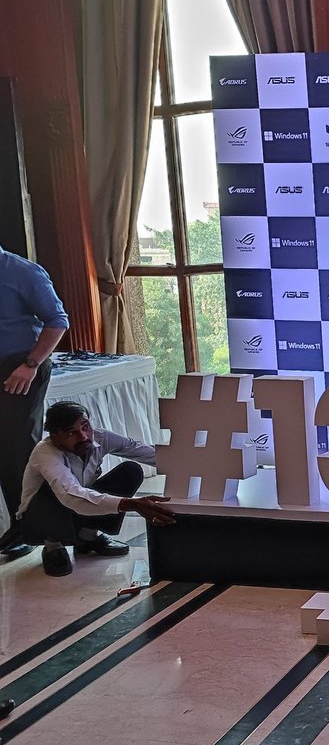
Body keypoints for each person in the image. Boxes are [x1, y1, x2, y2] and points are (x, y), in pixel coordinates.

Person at [13, 401, 175, 577]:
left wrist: (190, 462)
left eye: (85, 427)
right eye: (71, 432)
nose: (83, 436)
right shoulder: (45, 453)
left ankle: (88, 537)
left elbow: (138, 449)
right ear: (55, 437)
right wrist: (133, 504)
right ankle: (53, 545)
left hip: (76, 508)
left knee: (131, 471)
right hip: (38, 520)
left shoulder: (100, 437)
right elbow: (70, 496)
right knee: (54, 491)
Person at [0, 243, 70, 560]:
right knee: (4, 452)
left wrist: (30, 365)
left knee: (22, 451)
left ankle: (51, 532)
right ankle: (22, 526)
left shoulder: (22, 271)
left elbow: (57, 321)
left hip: (21, 367)